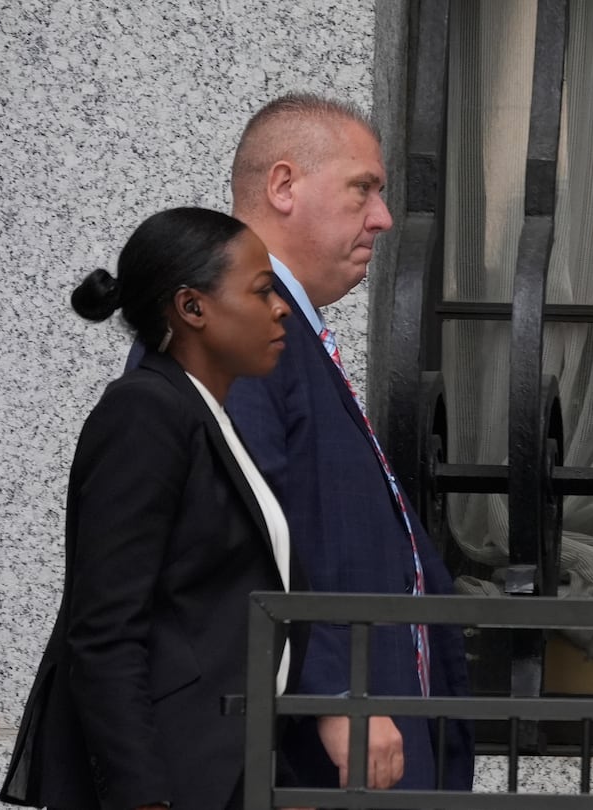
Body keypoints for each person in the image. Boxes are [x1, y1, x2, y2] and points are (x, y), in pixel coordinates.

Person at [0, 207, 299, 809]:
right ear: (192, 308)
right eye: (263, 291)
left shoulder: (205, 415)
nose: (281, 308)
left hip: (222, 763)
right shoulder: (145, 412)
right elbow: (105, 627)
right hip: (168, 774)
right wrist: (142, 795)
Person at [223, 92, 473, 791]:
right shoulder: (234, 330)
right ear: (283, 186)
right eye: (362, 188)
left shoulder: (281, 326)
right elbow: (243, 531)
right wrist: (333, 694)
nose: (383, 218)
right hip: (318, 751)